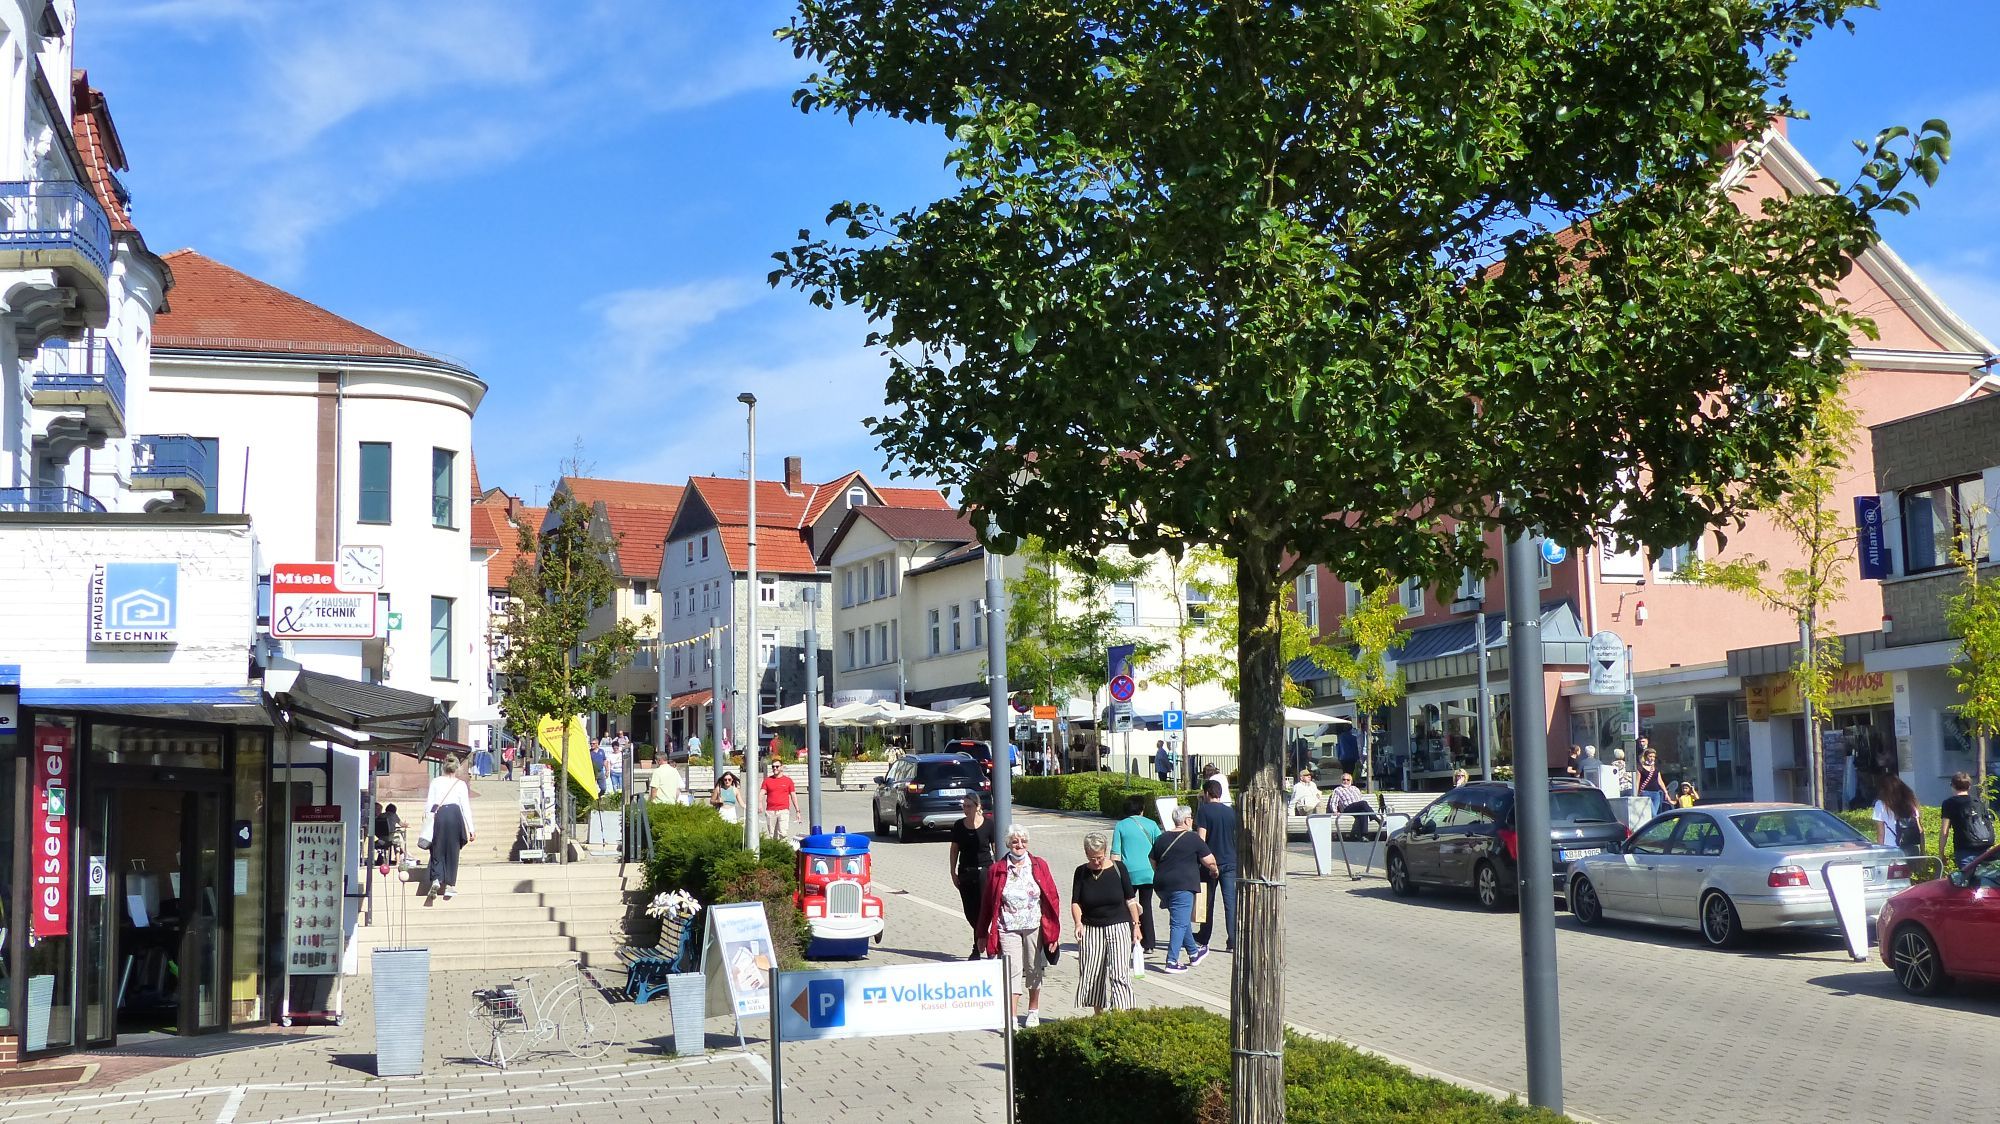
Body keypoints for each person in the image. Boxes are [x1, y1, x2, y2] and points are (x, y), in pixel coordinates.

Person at [980, 824, 1061, 1028]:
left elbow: (1052, 898)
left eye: (1023, 841)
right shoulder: (997, 869)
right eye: (1015, 841)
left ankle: (1033, 1011)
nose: (1019, 844)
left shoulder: (1039, 865)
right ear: (1008, 843)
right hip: (1007, 926)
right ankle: (1012, 1016)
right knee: (1012, 969)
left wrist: (1053, 933)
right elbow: (988, 904)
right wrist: (982, 932)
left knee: (1034, 968)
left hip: (1033, 924)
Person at [1071, 831, 1140, 1014]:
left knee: (1119, 972)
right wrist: (1078, 923)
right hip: (1091, 927)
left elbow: (1130, 899)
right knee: (1092, 972)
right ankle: (1098, 1014)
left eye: (1100, 857)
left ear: (1105, 851)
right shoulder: (1081, 872)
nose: (1097, 862)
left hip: (1118, 925)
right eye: (1093, 858)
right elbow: (1075, 902)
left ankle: (1121, 1013)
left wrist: (1136, 925)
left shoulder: (1119, 868)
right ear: (1086, 854)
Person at [1147, 805, 1218, 972]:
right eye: (1191, 817)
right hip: (1183, 885)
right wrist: (1214, 870)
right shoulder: (1193, 838)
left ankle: (1194, 953)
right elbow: (1209, 860)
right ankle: (1172, 961)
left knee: (1181, 917)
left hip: (1162, 885)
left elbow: (1152, 860)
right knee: (1178, 923)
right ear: (1186, 820)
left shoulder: (1162, 838)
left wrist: (1162, 873)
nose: (1192, 820)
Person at [1110, 794, 1162, 955]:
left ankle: (1130, 938)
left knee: (1128, 906)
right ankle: (1149, 943)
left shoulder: (1121, 826)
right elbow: (1160, 848)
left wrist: (1113, 873)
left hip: (1128, 874)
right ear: (1141, 809)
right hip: (1148, 872)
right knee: (1146, 905)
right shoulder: (1152, 825)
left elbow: (1115, 854)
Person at [948, 795, 998, 959]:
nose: (966, 809)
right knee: (970, 912)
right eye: (964, 806)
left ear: (977, 807)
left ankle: (977, 948)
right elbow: (954, 849)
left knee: (984, 910)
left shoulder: (989, 824)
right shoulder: (959, 826)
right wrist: (953, 871)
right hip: (966, 872)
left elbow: (995, 848)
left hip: (985, 871)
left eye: (969, 806)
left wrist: (998, 870)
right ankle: (986, 937)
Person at [420, 755, 476, 902]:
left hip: (440, 815)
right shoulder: (460, 784)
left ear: (443, 767)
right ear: (457, 768)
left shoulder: (436, 782)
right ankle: (450, 885)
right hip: (455, 816)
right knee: (453, 850)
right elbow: (466, 807)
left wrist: (427, 819)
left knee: (437, 848)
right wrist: (471, 828)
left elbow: (430, 804)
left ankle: (436, 880)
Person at [1193, 780, 1238, 953]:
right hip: (1230, 861)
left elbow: (1201, 838)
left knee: (1207, 901)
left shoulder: (1204, 810)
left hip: (1209, 863)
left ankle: (1204, 936)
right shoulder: (1230, 812)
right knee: (1230, 902)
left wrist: (1198, 858)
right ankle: (1233, 939)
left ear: (1207, 793)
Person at [1941, 772, 1996, 868]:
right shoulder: (1978, 802)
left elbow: (1944, 831)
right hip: (1985, 849)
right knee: (1984, 880)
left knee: (1968, 880)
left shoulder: (1949, 803)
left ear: (1953, 785)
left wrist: (1941, 852)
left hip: (1964, 850)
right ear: (1969, 787)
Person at [1872, 773, 1926, 856]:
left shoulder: (1881, 804)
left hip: (1890, 850)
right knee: (1912, 869)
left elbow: (1881, 833)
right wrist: (1922, 852)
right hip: (1912, 849)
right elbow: (1920, 830)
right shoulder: (1910, 803)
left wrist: (1879, 854)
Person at [761, 762, 799, 838]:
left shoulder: (788, 780)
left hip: (783, 810)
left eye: (777, 766)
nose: (775, 768)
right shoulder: (767, 780)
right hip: (770, 811)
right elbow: (761, 793)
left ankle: (783, 848)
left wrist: (797, 811)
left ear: (782, 767)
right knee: (772, 835)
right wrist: (759, 804)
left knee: (783, 833)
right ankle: (775, 849)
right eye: (773, 766)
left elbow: (793, 795)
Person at [1635, 741, 1668, 813]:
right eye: (1650, 756)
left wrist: (1665, 792)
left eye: (1653, 756)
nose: (1652, 758)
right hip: (1645, 793)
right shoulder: (1640, 768)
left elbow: (1660, 781)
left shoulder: (1655, 768)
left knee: (1654, 813)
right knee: (1653, 814)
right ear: (1646, 756)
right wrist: (1636, 794)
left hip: (1656, 794)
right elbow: (1637, 782)